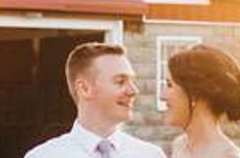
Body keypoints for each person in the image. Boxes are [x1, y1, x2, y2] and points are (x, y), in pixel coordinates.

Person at [25, 42, 166, 158]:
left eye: (132, 81)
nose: (133, 91)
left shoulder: (151, 155)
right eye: (120, 81)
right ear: (84, 89)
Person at [161, 45, 240, 158]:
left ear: (194, 93)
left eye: (170, 85)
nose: (162, 96)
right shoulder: (179, 145)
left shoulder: (228, 156)